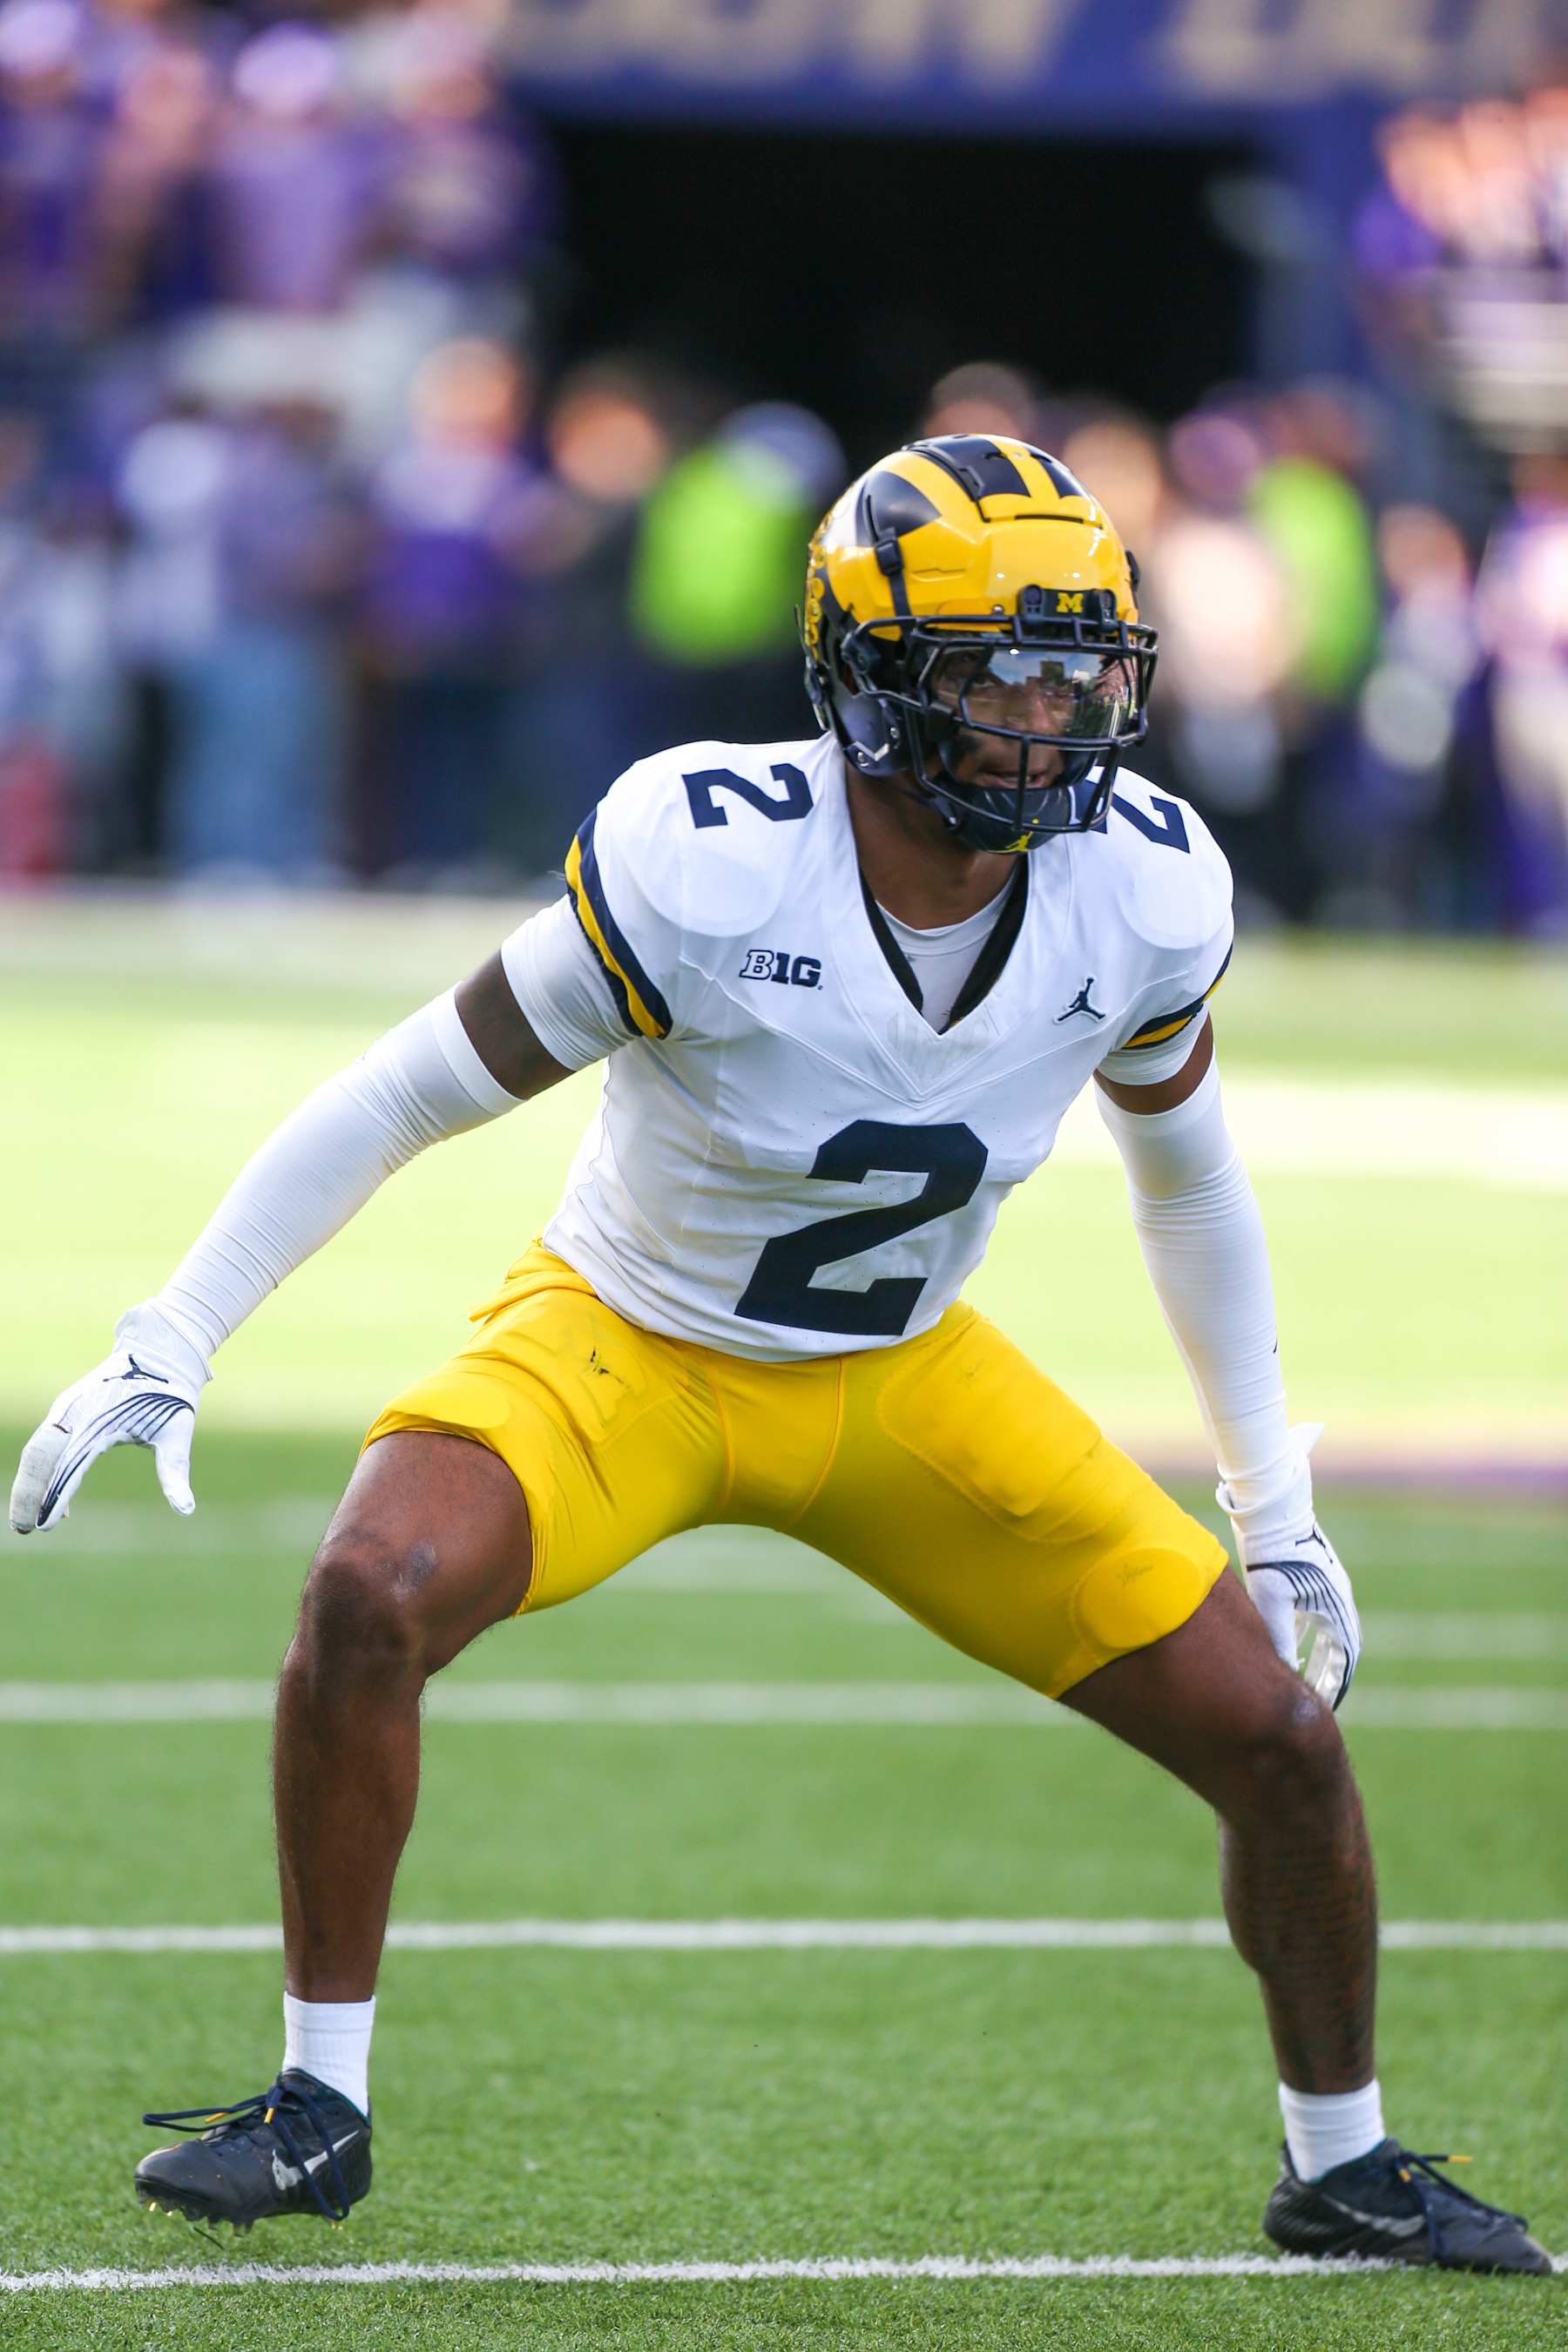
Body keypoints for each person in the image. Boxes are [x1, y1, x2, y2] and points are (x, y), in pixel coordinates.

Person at [9, 434, 1549, 2274]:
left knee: (1280, 1740)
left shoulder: (1140, 889)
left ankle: (1341, 2166)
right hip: (631, 1345)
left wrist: (1273, 1508)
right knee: (366, 1589)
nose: (1049, 720)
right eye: (999, 674)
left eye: (1077, 674)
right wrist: (178, 1328)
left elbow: (1192, 1186)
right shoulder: (712, 862)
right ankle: (315, 2102)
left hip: (903, 1375)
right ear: (872, 679)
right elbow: (411, 1088)